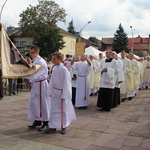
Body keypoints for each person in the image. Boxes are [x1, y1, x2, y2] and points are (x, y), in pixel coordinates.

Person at [44, 52, 76, 134]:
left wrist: (65, 94)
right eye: (52, 58)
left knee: (63, 110)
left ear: (60, 59)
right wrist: (50, 91)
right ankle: (52, 126)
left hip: (62, 93)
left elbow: (67, 83)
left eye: (54, 59)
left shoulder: (64, 70)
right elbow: (52, 81)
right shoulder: (54, 68)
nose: (52, 60)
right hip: (55, 92)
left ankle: (63, 126)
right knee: (53, 110)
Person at [26, 45, 50, 131]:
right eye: (30, 52)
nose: (30, 54)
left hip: (41, 84)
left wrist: (27, 77)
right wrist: (30, 82)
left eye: (32, 52)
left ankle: (46, 121)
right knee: (34, 102)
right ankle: (37, 120)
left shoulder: (40, 62)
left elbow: (35, 74)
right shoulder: (35, 60)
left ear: (37, 52)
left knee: (43, 103)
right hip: (36, 84)